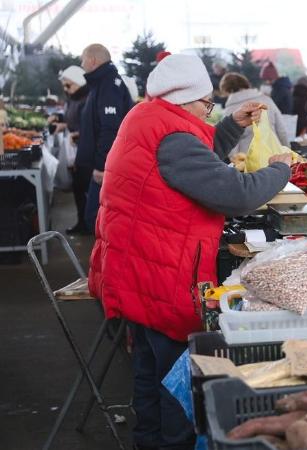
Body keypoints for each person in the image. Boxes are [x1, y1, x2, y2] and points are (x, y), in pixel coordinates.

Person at [88, 53, 293, 450]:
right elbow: (236, 194)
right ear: (185, 100)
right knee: (174, 381)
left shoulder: (147, 118)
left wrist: (231, 127)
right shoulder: (174, 138)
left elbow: (192, 153)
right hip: (161, 274)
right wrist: (279, 169)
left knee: (148, 373)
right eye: (206, 104)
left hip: (136, 269)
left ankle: (147, 441)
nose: (209, 111)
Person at [75, 43, 134, 232]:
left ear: (92, 61)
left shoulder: (108, 84)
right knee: (98, 217)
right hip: (107, 164)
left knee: (95, 216)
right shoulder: (102, 83)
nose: (82, 64)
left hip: (108, 167)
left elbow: (110, 128)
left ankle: (111, 258)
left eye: (83, 60)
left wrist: (101, 166)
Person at [56, 65, 90, 234]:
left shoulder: (87, 99)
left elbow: (90, 126)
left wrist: (77, 134)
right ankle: (82, 222)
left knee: (84, 189)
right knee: (78, 188)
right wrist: (62, 122)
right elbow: (73, 119)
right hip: (76, 148)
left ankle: (88, 224)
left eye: (68, 85)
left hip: (84, 151)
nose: (66, 89)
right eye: (64, 86)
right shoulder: (73, 100)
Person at [220, 72, 290, 154]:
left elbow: (230, 143)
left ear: (227, 90)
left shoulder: (229, 110)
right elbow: (281, 130)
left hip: (248, 160)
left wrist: (235, 161)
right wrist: (288, 151)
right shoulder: (266, 100)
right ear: (245, 84)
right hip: (275, 154)